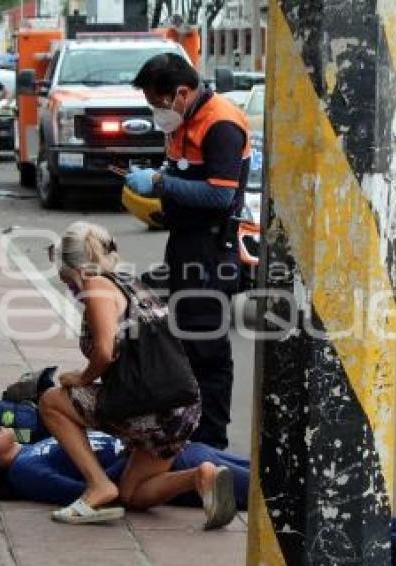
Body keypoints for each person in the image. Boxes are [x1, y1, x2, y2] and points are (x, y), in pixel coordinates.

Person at [0, 426, 396, 566]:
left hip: (183, 450)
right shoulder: (27, 472)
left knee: (290, 483)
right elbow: (99, 493)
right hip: (181, 467)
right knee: (289, 500)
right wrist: (132, 453)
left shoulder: (28, 445)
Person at [36, 222, 232, 527]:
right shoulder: (129, 282)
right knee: (132, 494)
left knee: (51, 402)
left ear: (73, 269)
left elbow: (104, 351)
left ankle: (97, 486)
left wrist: (81, 378)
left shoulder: (96, 287)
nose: (69, 288)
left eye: (66, 279)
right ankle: (201, 476)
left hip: (152, 407)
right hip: (182, 406)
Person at [125, 53, 249, 449]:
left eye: (157, 102)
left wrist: (161, 184)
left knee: (207, 348)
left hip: (211, 248)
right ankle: (190, 431)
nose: (156, 110)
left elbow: (219, 193)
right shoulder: (186, 120)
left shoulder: (220, 123)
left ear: (181, 93)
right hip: (187, 244)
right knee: (186, 342)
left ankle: (211, 443)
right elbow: (184, 175)